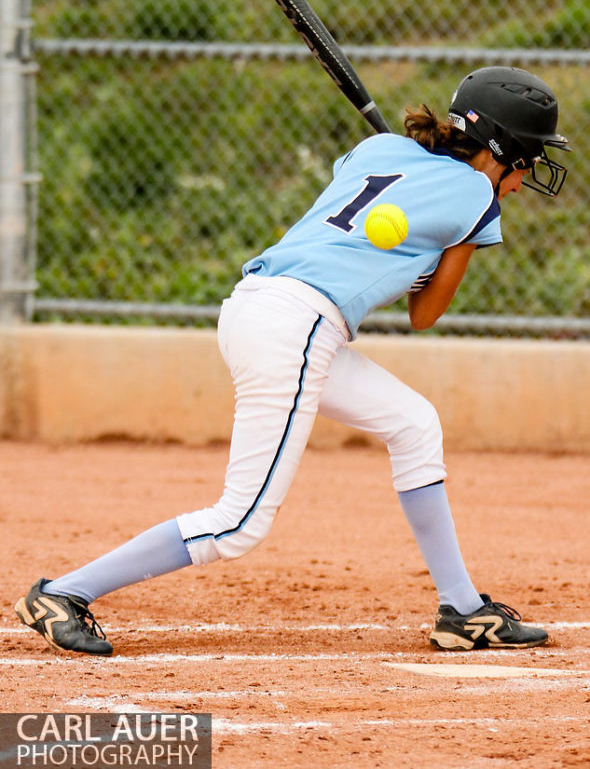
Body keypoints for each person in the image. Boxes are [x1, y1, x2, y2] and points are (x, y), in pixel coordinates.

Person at [15, 66, 570, 656]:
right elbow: (425, 313)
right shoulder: (476, 198)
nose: (528, 174)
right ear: (503, 148)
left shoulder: (381, 147)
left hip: (258, 307)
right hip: (298, 325)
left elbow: (362, 223)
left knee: (414, 424)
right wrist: (457, 239)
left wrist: (427, 228)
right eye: (531, 157)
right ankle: (64, 593)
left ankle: (462, 611)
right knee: (238, 525)